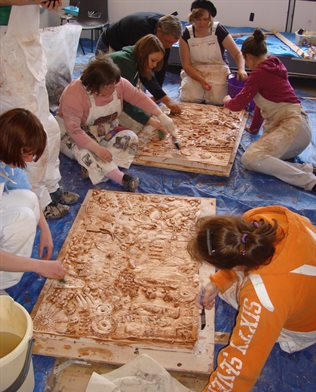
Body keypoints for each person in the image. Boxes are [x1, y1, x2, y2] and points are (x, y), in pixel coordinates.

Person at [189, 205, 316, 391]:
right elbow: (241, 253)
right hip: (304, 267)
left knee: (250, 311)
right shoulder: (259, 220)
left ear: (234, 266)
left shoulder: (264, 299)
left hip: (306, 324)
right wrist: (220, 280)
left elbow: (240, 368)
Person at [0, 0, 80, 219]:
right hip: (6, 43)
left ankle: (51, 187)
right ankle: (37, 198)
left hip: (27, 42)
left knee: (50, 128)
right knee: (27, 135)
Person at [57, 55, 177, 190]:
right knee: (84, 151)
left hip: (104, 130)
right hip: (74, 133)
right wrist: (97, 149)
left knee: (130, 138)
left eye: (114, 84)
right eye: (107, 87)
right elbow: (74, 130)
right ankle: (120, 178)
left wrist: (161, 115)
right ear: (94, 86)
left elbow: (139, 98)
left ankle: (95, 166)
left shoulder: (118, 83)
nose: (113, 89)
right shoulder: (74, 93)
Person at [223, 29, 316, 193]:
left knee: (250, 159)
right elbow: (260, 103)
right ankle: (307, 168)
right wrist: (253, 128)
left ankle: (308, 181)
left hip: (292, 129)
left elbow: (238, 104)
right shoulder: (274, 64)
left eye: (245, 59)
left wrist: (227, 101)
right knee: (262, 156)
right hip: (299, 127)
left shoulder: (259, 74)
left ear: (249, 57)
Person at [0, 108, 65, 290]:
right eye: (26, 154)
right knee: (22, 219)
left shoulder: (5, 160)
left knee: (27, 198)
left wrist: (45, 230)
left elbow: (29, 195)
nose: (29, 160)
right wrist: (38, 266)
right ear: (11, 145)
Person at [96, 12, 182, 114]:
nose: (169, 46)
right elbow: (143, 70)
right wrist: (165, 99)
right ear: (159, 31)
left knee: (139, 97)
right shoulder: (141, 31)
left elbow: (161, 66)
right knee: (113, 93)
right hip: (111, 44)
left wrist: (158, 95)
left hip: (127, 51)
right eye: (168, 42)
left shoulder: (165, 32)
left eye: (172, 43)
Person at [179, 0, 247, 105]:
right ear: (192, 18)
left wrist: (241, 69)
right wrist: (201, 80)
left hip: (218, 69)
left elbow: (237, 54)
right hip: (195, 71)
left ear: (210, 18)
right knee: (189, 97)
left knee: (218, 100)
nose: (201, 23)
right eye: (198, 19)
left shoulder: (218, 30)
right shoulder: (186, 34)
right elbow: (186, 65)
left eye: (205, 19)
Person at [109, 34, 170, 139]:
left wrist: (158, 114)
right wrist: (149, 121)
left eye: (157, 62)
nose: (155, 65)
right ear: (143, 54)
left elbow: (134, 94)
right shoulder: (125, 62)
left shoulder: (136, 59)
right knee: (138, 125)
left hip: (116, 98)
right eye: (153, 60)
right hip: (100, 102)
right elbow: (125, 101)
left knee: (153, 111)